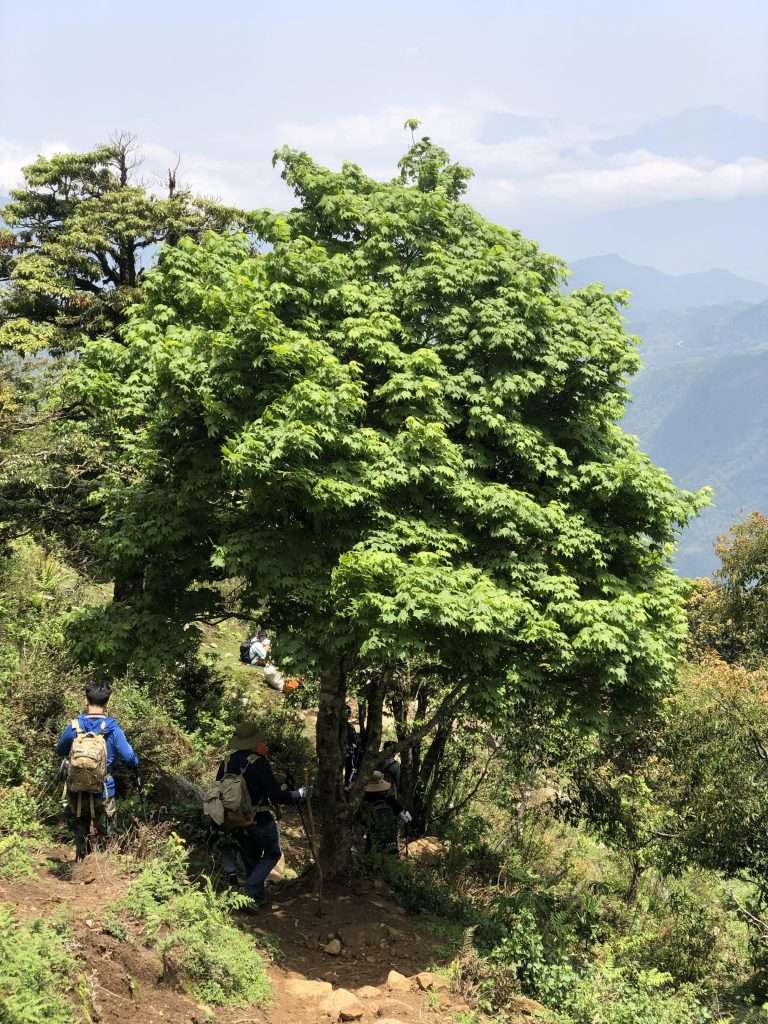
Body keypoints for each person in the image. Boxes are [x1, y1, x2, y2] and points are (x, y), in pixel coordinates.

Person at [215, 722, 309, 909]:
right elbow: (276, 795)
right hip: (259, 818)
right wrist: (299, 794)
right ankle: (249, 891)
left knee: (250, 857)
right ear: (254, 742)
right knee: (273, 853)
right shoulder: (258, 762)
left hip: (234, 819)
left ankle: (255, 899)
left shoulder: (226, 762)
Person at [56, 682, 139, 861]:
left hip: (76, 789)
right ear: (107, 703)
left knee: (80, 830)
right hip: (104, 788)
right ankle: (103, 868)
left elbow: (60, 750)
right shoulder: (113, 729)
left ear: (86, 700)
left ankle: (81, 863)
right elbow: (129, 757)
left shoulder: (74, 726)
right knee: (106, 833)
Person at [360, 771, 411, 855]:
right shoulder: (390, 800)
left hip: (372, 844)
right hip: (390, 843)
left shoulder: (364, 801)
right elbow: (406, 819)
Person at [343, 704, 359, 787]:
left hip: (338, 752)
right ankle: (346, 785)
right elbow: (356, 740)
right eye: (348, 712)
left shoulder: (334, 727)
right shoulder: (349, 727)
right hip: (347, 753)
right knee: (349, 770)